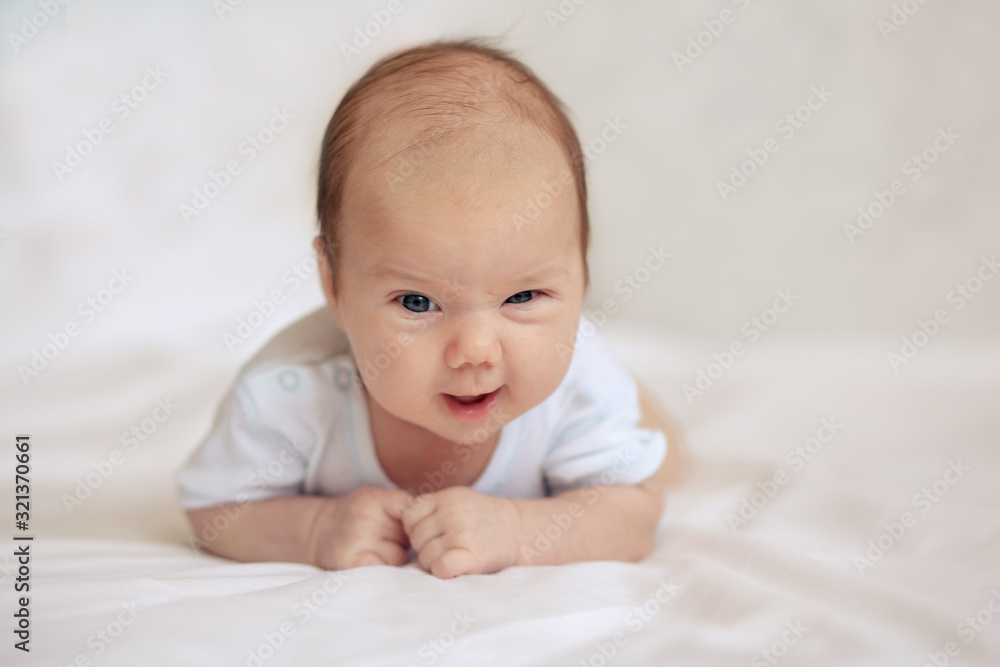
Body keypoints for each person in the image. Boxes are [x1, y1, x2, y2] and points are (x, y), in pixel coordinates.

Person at [178, 40, 685, 579]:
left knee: (671, 459)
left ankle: (646, 409)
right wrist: (315, 528)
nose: (474, 351)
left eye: (521, 297)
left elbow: (633, 517)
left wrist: (517, 531)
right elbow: (214, 513)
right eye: (418, 303)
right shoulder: (288, 395)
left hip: (594, 396)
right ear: (334, 285)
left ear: (581, 273)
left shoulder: (579, 383)